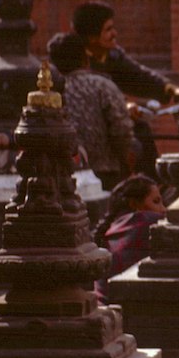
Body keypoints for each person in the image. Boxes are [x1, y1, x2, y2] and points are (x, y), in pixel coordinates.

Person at [47, 32, 133, 191]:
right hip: (105, 172)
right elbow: (122, 130)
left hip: (60, 175)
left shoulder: (47, 93)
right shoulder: (103, 86)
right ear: (84, 58)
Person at [71, 0, 179, 106]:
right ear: (92, 37)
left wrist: (170, 89)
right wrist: (124, 106)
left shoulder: (113, 56)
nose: (115, 33)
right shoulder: (75, 63)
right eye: (108, 30)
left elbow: (138, 76)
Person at [92, 175, 166, 304]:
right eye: (156, 201)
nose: (163, 209)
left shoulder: (112, 229)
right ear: (134, 204)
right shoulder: (146, 220)